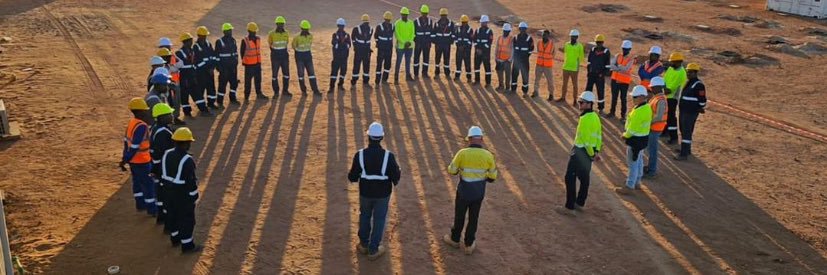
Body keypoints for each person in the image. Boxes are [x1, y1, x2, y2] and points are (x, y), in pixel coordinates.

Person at [347, 122, 402, 260]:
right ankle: (373, 249)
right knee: (379, 219)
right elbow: (395, 177)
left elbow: (352, 176)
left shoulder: (359, 155)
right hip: (382, 194)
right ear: (381, 137)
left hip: (365, 193)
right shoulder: (389, 156)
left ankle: (364, 244)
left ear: (369, 137)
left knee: (364, 216)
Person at [442, 126, 497, 255]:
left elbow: (452, 170)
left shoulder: (462, 153)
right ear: (482, 139)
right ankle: (469, 244)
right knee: (474, 218)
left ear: (469, 139)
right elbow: (493, 176)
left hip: (463, 192)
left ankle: (455, 239)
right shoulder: (488, 155)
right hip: (478, 193)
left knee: (459, 216)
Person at [558, 91, 602, 216]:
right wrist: (596, 152)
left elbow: (585, 140)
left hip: (580, 152)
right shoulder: (595, 117)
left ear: (589, 104)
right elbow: (599, 135)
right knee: (584, 178)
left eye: (581, 102)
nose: (579, 104)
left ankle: (569, 207)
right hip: (590, 152)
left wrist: (591, 153)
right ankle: (580, 203)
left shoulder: (584, 119)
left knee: (569, 177)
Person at [162, 127, 202, 253]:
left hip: (167, 192)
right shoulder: (187, 160)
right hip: (182, 195)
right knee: (186, 220)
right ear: (185, 143)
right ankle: (187, 245)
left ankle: (175, 239)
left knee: (172, 216)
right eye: (189, 142)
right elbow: (190, 182)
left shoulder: (167, 154)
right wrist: (194, 196)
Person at [121, 98, 157, 216]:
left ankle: (140, 204)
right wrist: (126, 159)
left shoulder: (132, 123)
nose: (147, 112)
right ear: (140, 111)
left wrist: (125, 159)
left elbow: (126, 142)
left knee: (137, 182)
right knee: (148, 184)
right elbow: (135, 145)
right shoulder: (142, 126)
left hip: (133, 161)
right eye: (145, 110)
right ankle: (152, 209)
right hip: (142, 160)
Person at [617, 86, 652, 195]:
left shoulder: (639, 111)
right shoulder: (646, 108)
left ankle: (630, 185)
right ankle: (637, 181)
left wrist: (624, 135)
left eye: (635, 97)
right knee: (639, 160)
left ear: (642, 97)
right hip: (643, 139)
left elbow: (632, 129)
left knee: (632, 163)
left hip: (635, 140)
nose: (633, 99)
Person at [149, 103, 175, 230]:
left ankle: (161, 217)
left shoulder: (156, 128)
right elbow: (163, 153)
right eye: (169, 114)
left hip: (158, 166)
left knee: (160, 192)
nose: (171, 116)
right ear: (161, 117)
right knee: (165, 194)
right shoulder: (163, 132)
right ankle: (165, 220)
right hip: (162, 168)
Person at [174, 33, 212, 116]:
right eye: (190, 41)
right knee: (184, 94)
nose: (192, 42)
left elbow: (194, 63)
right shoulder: (179, 53)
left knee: (197, 93)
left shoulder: (191, 51)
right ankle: (187, 112)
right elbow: (178, 66)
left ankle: (203, 109)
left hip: (192, 75)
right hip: (184, 76)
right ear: (186, 42)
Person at [676, 63, 706, 161]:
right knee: (683, 130)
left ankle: (684, 154)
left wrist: (699, 107)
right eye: (687, 72)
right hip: (684, 111)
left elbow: (702, 100)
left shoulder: (699, 85)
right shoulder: (688, 82)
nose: (688, 73)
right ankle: (686, 149)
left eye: (690, 72)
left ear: (695, 73)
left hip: (690, 112)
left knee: (687, 131)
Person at [644, 77, 667, 178]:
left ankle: (652, 171)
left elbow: (659, 116)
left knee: (652, 150)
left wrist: (647, 123)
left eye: (652, 87)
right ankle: (650, 167)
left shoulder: (661, 100)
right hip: (653, 127)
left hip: (655, 128)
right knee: (650, 149)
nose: (651, 89)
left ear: (657, 87)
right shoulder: (656, 97)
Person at [607, 40, 635, 120]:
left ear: (629, 49)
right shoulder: (618, 55)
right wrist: (619, 67)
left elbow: (626, 69)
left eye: (626, 49)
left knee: (623, 98)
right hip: (615, 80)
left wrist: (617, 67)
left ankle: (623, 116)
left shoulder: (630, 59)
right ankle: (612, 112)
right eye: (623, 48)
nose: (624, 50)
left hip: (624, 82)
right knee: (614, 97)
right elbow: (612, 65)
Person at [293, 20, 322, 95]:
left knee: (312, 74)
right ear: (301, 28)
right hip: (300, 56)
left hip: (307, 56)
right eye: (305, 29)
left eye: (307, 29)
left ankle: (315, 90)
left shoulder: (310, 36)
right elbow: (294, 46)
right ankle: (303, 91)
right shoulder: (297, 37)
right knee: (301, 74)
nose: (306, 30)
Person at [240, 22, 268, 100]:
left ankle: (259, 93)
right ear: (249, 31)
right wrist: (246, 61)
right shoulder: (245, 40)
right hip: (249, 65)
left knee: (258, 80)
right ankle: (246, 97)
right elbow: (242, 53)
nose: (254, 32)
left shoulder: (258, 39)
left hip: (257, 64)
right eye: (253, 31)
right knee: (248, 82)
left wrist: (258, 62)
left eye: (255, 31)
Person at [663, 51, 687, 144]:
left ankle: (673, 137)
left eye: (673, 61)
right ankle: (665, 131)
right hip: (666, 95)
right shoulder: (670, 69)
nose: (671, 63)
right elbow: (664, 79)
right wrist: (663, 87)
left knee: (671, 117)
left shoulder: (681, 73)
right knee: (666, 115)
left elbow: (672, 88)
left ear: (679, 62)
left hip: (672, 98)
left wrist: (663, 90)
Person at [215, 23, 242, 104]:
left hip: (233, 67)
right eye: (229, 30)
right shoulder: (219, 42)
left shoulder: (233, 40)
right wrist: (219, 68)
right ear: (224, 31)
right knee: (222, 85)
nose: (231, 32)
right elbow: (216, 56)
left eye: (231, 30)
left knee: (234, 83)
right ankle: (220, 101)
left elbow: (235, 53)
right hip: (224, 68)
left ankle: (233, 98)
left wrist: (236, 62)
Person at [193, 26, 218, 109]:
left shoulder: (208, 44)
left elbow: (213, 56)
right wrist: (208, 68)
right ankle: (202, 107)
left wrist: (212, 67)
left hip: (210, 71)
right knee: (201, 89)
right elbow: (197, 62)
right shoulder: (195, 47)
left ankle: (211, 103)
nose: (204, 37)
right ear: (199, 36)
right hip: (201, 72)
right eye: (203, 36)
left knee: (211, 87)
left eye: (205, 36)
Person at [585, 34, 611, 113]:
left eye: (600, 42)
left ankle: (601, 108)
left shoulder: (606, 52)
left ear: (603, 42)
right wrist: (588, 72)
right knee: (588, 90)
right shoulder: (592, 50)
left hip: (600, 76)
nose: (598, 44)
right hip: (592, 74)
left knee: (600, 91)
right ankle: (588, 106)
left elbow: (607, 66)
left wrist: (602, 74)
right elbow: (589, 63)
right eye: (597, 42)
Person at [559, 29, 584, 105]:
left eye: (574, 37)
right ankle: (563, 97)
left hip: (574, 69)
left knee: (575, 85)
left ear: (577, 37)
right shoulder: (566, 44)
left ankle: (574, 100)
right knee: (564, 84)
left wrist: (576, 64)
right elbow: (566, 54)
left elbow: (581, 57)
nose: (572, 38)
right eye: (571, 36)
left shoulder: (580, 46)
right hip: (566, 67)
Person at [268, 16, 292, 97]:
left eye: (282, 24)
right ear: (276, 24)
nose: (281, 25)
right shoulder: (271, 34)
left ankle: (285, 90)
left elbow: (286, 43)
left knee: (286, 74)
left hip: (284, 56)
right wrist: (275, 52)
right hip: (275, 56)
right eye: (279, 24)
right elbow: (270, 44)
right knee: (274, 75)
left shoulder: (286, 33)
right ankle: (276, 92)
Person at [510, 22, 534, 96]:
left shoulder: (529, 38)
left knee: (525, 76)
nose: (522, 30)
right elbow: (513, 48)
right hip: (516, 61)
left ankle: (525, 92)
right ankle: (513, 89)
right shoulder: (515, 38)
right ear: (519, 29)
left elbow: (531, 49)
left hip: (524, 61)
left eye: (524, 29)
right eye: (521, 29)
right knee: (514, 75)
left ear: (526, 29)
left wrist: (526, 57)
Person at [329, 18, 352, 93]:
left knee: (343, 72)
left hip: (344, 58)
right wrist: (343, 44)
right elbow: (335, 44)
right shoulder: (335, 35)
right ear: (338, 26)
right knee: (334, 73)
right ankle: (332, 87)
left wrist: (341, 44)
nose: (341, 27)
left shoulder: (347, 35)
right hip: (336, 58)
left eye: (342, 26)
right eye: (340, 26)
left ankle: (340, 85)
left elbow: (349, 45)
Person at [394, 7, 415, 83]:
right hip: (400, 46)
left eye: (406, 15)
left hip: (409, 46)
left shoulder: (411, 23)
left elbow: (412, 33)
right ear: (401, 14)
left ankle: (408, 76)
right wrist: (404, 42)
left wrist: (409, 42)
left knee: (408, 61)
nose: (404, 16)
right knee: (398, 62)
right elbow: (397, 35)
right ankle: (396, 77)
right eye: (403, 14)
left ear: (407, 15)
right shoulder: (397, 23)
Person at [351, 14, 373, 86]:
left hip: (359, 49)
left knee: (357, 64)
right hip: (366, 50)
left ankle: (354, 80)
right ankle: (366, 80)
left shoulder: (356, 28)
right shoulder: (371, 29)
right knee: (366, 65)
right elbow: (368, 40)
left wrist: (355, 46)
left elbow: (353, 38)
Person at [432, 8, 455, 77]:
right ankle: (437, 71)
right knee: (437, 58)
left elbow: (453, 34)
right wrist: (435, 42)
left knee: (446, 58)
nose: (443, 16)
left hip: (446, 44)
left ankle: (447, 72)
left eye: (444, 15)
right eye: (442, 15)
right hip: (438, 44)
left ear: (446, 15)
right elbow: (433, 33)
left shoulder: (451, 23)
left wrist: (451, 41)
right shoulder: (436, 23)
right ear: (440, 15)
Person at [374, 12, 395, 85]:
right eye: (387, 19)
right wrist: (378, 43)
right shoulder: (379, 26)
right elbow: (376, 36)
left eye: (388, 20)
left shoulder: (392, 26)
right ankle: (377, 80)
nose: (387, 21)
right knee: (379, 64)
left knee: (387, 64)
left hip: (389, 47)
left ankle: (384, 79)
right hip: (382, 48)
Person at [413, 4, 433, 79]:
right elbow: (413, 33)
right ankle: (416, 73)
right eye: (423, 13)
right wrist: (416, 41)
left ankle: (425, 73)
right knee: (416, 58)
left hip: (426, 43)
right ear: (421, 13)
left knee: (426, 58)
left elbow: (431, 33)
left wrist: (429, 43)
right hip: (418, 43)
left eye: (426, 13)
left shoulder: (430, 21)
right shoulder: (415, 21)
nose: (424, 15)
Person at [533, 30, 554, 99]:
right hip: (539, 64)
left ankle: (551, 94)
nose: (544, 36)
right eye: (543, 35)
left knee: (550, 80)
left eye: (545, 35)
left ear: (548, 36)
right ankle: (535, 92)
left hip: (548, 66)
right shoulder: (539, 43)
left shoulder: (552, 44)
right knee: (537, 79)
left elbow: (553, 54)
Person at [473, 15, 493, 86]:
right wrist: (477, 49)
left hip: (485, 54)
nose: (483, 23)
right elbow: (474, 40)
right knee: (476, 67)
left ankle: (488, 83)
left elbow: (489, 43)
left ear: (487, 22)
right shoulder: (477, 30)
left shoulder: (489, 31)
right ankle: (477, 80)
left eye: (484, 22)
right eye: (482, 22)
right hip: (477, 52)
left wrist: (482, 49)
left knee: (487, 68)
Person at [453, 15, 474, 82]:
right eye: (463, 22)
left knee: (467, 64)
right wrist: (458, 46)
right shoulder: (458, 29)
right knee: (458, 63)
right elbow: (456, 39)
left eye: (465, 22)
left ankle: (469, 78)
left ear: (467, 22)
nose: (464, 24)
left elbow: (470, 41)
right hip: (459, 49)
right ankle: (457, 76)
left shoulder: (470, 30)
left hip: (467, 50)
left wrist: (464, 46)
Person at [494, 23, 513, 92]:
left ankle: (507, 87)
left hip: (507, 60)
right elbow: (497, 47)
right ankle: (501, 85)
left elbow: (513, 49)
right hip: (499, 60)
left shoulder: (511, 39)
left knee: (507, 75)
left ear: (509, 31)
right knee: (499, 73)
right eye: (504, 31)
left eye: (507, 31)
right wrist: (495, 57)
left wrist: (510, 59)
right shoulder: (499, 38)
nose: (505, 32)